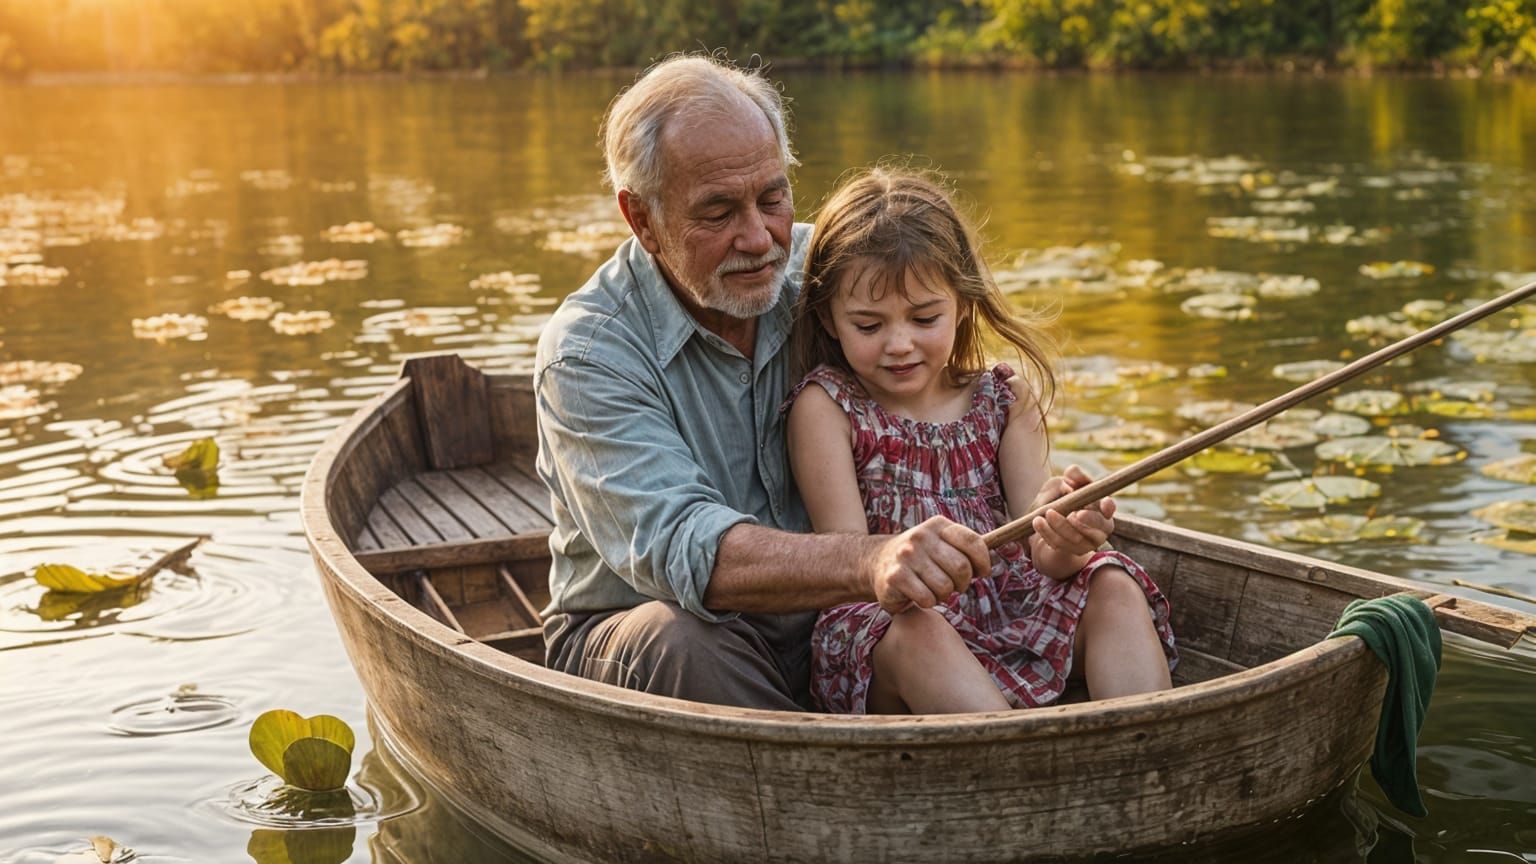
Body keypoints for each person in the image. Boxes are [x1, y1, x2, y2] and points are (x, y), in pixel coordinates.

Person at [534, 55, 994, 711]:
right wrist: (868, 562)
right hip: (647, 632)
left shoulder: (832, 273)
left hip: (834, 618)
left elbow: (947, 386)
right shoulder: (588, 351)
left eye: (772, 198)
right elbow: (685, 550)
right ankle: (818, 793)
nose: (759, 239)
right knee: (689, 639)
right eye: (718, 211)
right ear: (641, 219)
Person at [785, 166, 1177, 715]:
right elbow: (850, 567)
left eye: (924, 318)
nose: (899, 344)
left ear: (963, 302)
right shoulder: (827, 407)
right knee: (920, 630)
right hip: (895, 620)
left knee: (1110, 579)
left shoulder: (1003, 399)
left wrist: (1066, 535)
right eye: (869, 327)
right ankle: (1020, 770)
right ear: (828, 318)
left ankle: (1150, 749)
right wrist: (900, 573)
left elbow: (1043, 555)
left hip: (1009, 607)